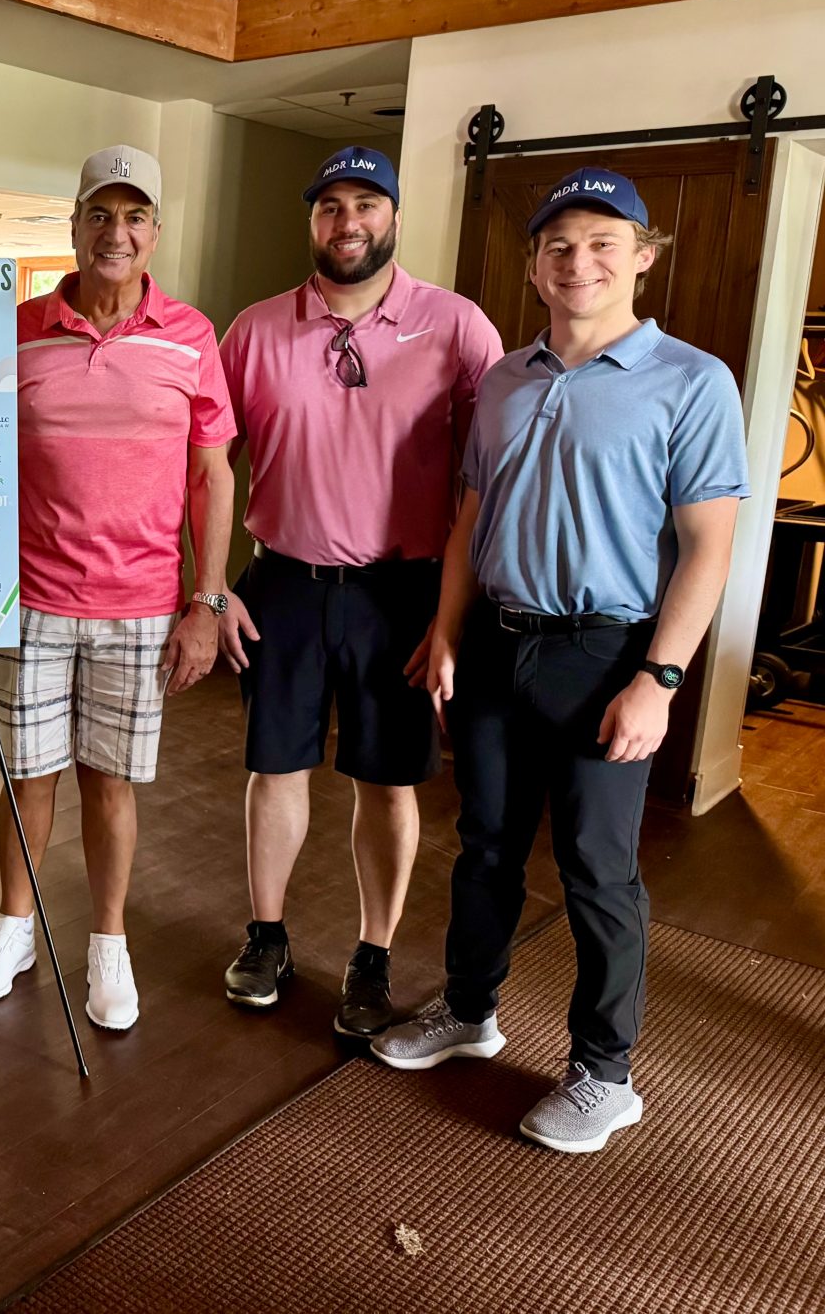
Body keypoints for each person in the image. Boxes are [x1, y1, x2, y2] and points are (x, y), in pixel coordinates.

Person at [373, 168, 748, 1154]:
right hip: (498, 643)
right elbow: (470, 520)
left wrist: (659, 681)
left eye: (602, 243)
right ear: (536, 267)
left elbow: (708, 547)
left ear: (643, 259)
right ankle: (469, 1010)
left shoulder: (692, 381)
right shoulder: (505, 378)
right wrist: (446, 630)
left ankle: (604, 1074)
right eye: (559, 247)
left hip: (608, 653)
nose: (579, 262)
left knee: (595, 868)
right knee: (486, 846)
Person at [216, 146, 504, 1036]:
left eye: (366, 204)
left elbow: (486, 482)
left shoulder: (458, 329)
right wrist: (210, 590)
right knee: (275, 769)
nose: (348, 222)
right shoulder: (255, 331)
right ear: (313, 221)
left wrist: (453, 616)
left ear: (394, 218)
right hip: (283, 584)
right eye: (331, 206)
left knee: (387, 780)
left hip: (401, 594)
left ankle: (372, 957)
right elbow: (206, 466)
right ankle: (266, 936)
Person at [0, 145, 237, 1031]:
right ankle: (14, 927)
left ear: (155, 231)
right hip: (33, 597)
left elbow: (213, 476)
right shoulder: (17, 329)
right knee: (28, 775)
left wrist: (208, 601)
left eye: (135, 216)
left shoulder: (191, 337)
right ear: (75, 225)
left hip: (142, 603)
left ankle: (108, 942)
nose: (117, 233)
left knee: (109, 782)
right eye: (100, 214)